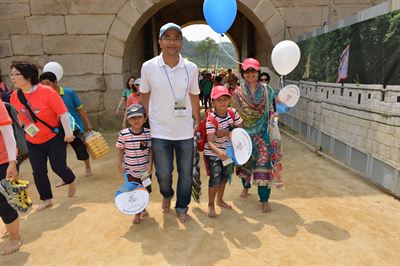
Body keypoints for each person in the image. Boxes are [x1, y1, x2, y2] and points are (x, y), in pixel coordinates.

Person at [139, 22, 201, 223]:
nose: (172, 42)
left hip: (184, 131)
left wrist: (198, 119)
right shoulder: (148, 67)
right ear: (160, 42)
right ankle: (167, 194)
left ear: (181, 43)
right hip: (159, 131)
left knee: (185, 173)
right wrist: (143, 122)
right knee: (164, 174)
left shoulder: (191, 68)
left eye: (176, 38)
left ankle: (182, 207)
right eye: (167, 38)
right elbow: (145, 96)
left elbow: (194, 95)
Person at [9, 61, 77, 211]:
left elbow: (63, 112)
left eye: (16, 74)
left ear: (28, 76)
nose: (12, 77)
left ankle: (70, 180)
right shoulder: (15, 96)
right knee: (38, 171)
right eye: (11, 74)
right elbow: (20, 115)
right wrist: (23, 126)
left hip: (54, 137)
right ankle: (46, 199)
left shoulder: (47, 92)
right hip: (33, 140)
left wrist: (68, 133)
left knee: (58, 167)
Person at [231, 58, 277, 213]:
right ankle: (246, 187)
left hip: (262, 134)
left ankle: (264, 200)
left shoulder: (267, 90)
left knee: (263, 165)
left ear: (257, 72)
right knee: (245, 163)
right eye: (247, 71)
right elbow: (234, 114)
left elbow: (272, 109)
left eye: (253, 71)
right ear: (243, 73)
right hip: (244, 133)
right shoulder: (237, 93)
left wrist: (274, 117)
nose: (250, 73)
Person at [39, 72, 94, 178]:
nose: (45, 86)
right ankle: (65, 176)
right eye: (43, 84)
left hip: (75, 128)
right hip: (57, 130)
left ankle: (87, 166)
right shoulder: (44, 96)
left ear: (55, 82)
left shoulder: (70, 93)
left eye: (48, 83)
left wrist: (88, 123)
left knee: (81, 150)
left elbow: (80, 109)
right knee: (59, 155)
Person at [203, 85, 242, 217]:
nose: (222, 103)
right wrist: (219, 153)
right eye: (218, 100)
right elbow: (209, 142)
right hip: (213, 153)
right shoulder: (211, 119)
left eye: (225, 99)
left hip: (228, 153)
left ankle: (220, 200)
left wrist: (228, 132)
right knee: (215, 179)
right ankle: (210, 204)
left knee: (224, 177)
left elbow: (240, 129)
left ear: (229, 100)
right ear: (213, 102)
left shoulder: (232, 113)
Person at [116, 104, 152, 224]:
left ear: (145, 119)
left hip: (145, 171)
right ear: (128, 120)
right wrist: (119, 164)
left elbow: (151, 150)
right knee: (134, 191)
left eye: (139, 117)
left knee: (145, 190)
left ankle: (143, 207)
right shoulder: (124, 134)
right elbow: (120, 149)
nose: (136, 120)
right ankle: (137, 213)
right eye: (132, 118)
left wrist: (150, 164)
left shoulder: (148, 133)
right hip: (130, 170)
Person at [0, 98, 22, 255]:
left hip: (2, 159)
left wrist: (12, 163)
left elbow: (7, 133)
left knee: (3, 202)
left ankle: (15, 237)